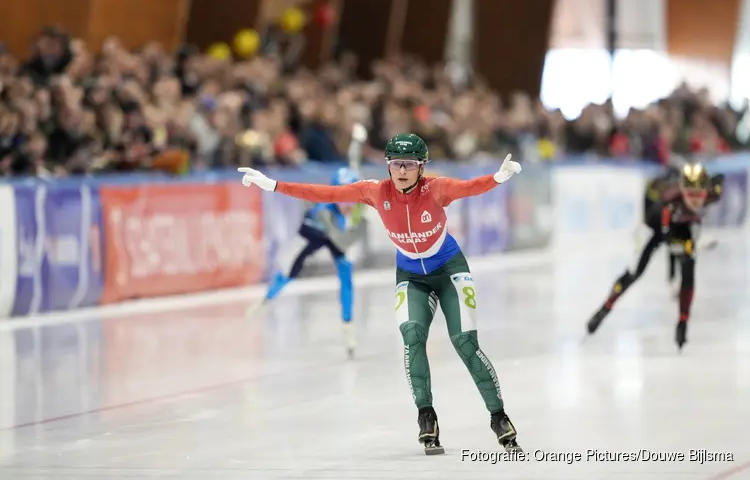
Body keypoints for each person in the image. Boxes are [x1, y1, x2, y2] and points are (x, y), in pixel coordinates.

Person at [238, 133, 523, 455]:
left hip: (449, 271)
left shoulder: (437, 188)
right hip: (412, 275)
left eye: (410, 165)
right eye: (396, 164)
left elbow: (470, 187)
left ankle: (498, 417)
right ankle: (426, 416)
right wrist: (273, 185)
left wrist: (498, 178)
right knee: (412, 337)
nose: (402, 171)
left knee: (465, 343)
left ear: (421, 167)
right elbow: (325, 193)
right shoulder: (374, 192)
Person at [587, 163, 724, 350]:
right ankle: (604, 309)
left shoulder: (711, 193)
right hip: (654, 227)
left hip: (683, 226)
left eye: (699, 195)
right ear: (682, 191)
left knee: (689, 268)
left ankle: (683, 322)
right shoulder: (670, 201)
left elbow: (719, 180)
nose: (695, 200)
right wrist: (689, 246)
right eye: (691, 194)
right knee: (635, 272)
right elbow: (669, 241)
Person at [247, 167, 367, 357]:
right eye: (343, 198)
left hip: (331, 233)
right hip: (317, 233)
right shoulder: (322, 212)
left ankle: (348, 326)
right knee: (289, 273)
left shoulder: (356, 208)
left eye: (351, 198)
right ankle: (266, 299)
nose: (348, 205)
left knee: (345, 273)